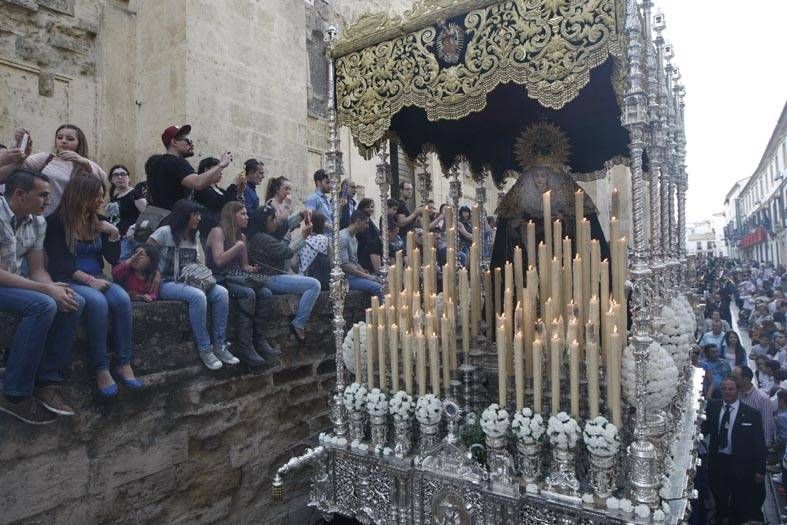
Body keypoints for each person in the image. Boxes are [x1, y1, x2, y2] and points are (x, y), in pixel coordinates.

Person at [0, 169, 85, 424]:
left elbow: (37, 270)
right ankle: (14, 394)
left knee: (72, 300)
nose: (48, 201)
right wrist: (45, 290)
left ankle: (48, 382)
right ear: (19, 194)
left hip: (12, 284)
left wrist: (54, 288)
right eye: (43, 195)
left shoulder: (38, 221)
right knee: (42, 306)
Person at [44, 174, 140, 396]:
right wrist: (89, 281)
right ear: (80, 195)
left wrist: (114, 234)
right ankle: (101, 368)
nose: (100, 200)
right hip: (69, 278)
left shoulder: (97, 219)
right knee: (97, 303)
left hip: (97, 275)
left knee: (122, 299)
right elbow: (58, 262)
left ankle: (124, 362)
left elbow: (112, 259)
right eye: (95, 196)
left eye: (102, 196)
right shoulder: (57, 223)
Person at [147, 199, 233, 370]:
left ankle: (220, 344)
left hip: (191, 280)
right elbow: (145, 251)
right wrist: (155, 271)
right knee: (198, 297)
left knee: (221, 293)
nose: (198, 218)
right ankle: (204, 348)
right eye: (195, 214)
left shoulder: (194, 236)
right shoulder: (165, 232)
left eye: (199, 214)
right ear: (183, 215)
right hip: (167, 282)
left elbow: (197, 261)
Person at [207, 201, 279, 367]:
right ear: (232, 216)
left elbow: (244, 266)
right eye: (243, 214)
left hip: (237, 277)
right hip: (221, 279)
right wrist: (238, 246)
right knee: (248, 293)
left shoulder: (242, 237)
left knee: (266, 293)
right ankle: (244, 346)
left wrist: (253, 269)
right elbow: (218, 261)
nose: (247, 217)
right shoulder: (218, 232)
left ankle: (259, 340)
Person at [247, 205, 321, 345]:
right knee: (314, 285)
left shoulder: (261, 234)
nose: (276, 221)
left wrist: (300, 213)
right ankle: (299, 323)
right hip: (269, 279)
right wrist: (303, 236)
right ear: (264, 222)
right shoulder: (262, 238)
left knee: (307, 281)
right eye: (272, 218)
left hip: (272, 277)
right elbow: (287, 252)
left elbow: (284, 226)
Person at [703, 376, 766, 524]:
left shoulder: (752, 414)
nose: (727, 392)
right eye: (724, 388)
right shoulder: (713, 407)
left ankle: (736, 519)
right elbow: (704, 429)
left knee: (740, 496)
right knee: (718, 492)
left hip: (741, 463)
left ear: (738, 390)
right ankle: (721, 515)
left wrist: (760, 470)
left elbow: (759, 443)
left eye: (731, 388)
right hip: (719, 460)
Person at [17, 124, 107, 216]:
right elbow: (19, 166)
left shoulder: (84, 164)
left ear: (79, 143)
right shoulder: (46, 158)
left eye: (70, 139)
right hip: (43, 216)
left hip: (72, 218)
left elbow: (103, 180)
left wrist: (84, 162)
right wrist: (21, 146)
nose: (63, 141)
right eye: (59, 137)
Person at [145, 124, 232, 210]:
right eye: (188, 141)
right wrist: (221, 165)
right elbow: (197, 183)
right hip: (171, 219)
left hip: (154, 218)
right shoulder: (176, 163)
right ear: (174, 142)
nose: (192, 145)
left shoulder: (155, 163)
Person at [193, 157, 240, 244]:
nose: (221, 173)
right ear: (207, 169)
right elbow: (221, 202)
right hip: (207, 230)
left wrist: (239, 189)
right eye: (217, 170)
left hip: (221, 230)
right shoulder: (202, 189)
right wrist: (233, 185)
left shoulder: (220, 190)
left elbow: (231, 204)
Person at [340, 210, 384, 302]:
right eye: (366, 223)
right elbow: (344, 265)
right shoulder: (343, 237)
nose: (367, 227)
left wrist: (363, 271)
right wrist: (365, 276)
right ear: (358, 221)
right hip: (346, 278)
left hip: (354, 275)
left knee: (383, 281)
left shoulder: (354, 238)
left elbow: (354, 261)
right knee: (379, 288)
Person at [108, 164, 147, 261]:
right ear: (112, 180)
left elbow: (147, 215)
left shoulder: (134, 194)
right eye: (116, 175)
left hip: (131, 239)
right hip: (118, 239)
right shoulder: (114, 198)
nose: (120, 177)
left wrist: (134, 227)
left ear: (128, 178)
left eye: (123, 174)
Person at [733, 365, 775, 450]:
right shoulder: (733, 394)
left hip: (751, 443)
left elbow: (766, 424)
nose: (732, 381)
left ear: (746, 379)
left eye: (735, 378)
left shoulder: (762, 399)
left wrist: (765, 446)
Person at [298, 212, 331, 290]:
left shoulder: (301, 240)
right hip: (319, 280)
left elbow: (293, 264)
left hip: (302, 278)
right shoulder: (324, 239)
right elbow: (331, 259)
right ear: (321, 225)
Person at [355, 198, 382, 274]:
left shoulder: (370, 221)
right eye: (367, 207)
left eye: (372, 207)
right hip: (363, 256)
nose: (370, 209)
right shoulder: (361, 223)